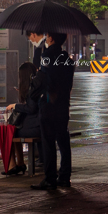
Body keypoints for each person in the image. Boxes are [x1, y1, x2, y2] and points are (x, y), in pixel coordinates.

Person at [32, 32, 74, 190]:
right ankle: (65, 176)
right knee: (63, 140)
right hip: (63, 104)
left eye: (47, 35)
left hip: (49, 104)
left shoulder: (46, 56)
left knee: (48, 142)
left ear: (51, 38)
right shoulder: (67, 59)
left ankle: (50, 178)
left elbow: (43, 80)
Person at [4, 62, 42, 175]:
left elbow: (31, 108)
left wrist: (15, 106)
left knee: (9, 132)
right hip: (40, 125)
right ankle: (20, 163)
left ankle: (12, 165)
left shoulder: (32, 89)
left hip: (36, 127)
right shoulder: (38, 86)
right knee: (14, 129)